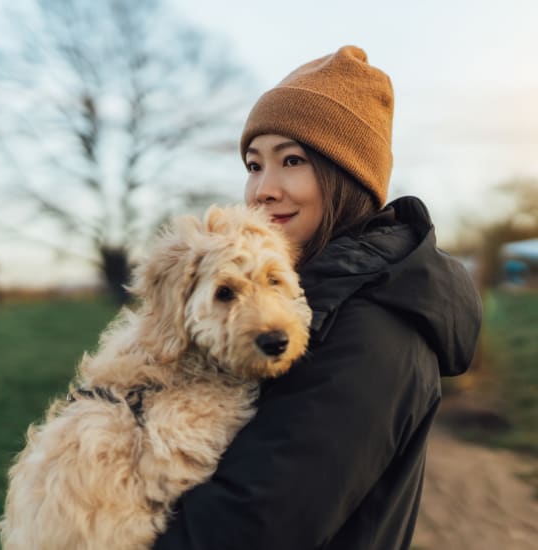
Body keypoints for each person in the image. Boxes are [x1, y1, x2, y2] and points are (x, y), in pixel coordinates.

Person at [154, 45, 482, 550]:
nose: (263, 189)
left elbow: (248, 528)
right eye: (253, 164)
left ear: (347, 177)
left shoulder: (375, 330)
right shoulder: (308, 296)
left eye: (291, 160)